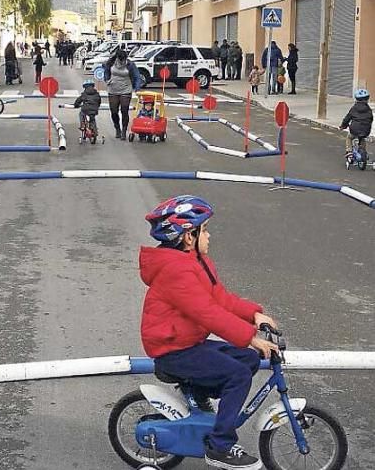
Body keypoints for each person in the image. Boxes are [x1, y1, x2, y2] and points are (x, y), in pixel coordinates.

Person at [140, 195, 279, 469]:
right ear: (188, 237)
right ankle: (220, 446)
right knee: (237, 375)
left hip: (188, 342)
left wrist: (254, 313)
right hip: (173, 349)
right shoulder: (175, 270)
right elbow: (208, 313)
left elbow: (221, 299)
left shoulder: (196, 262)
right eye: (204, 230)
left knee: (248, 360)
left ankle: (198, 393)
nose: (209, 235)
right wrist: (250, 336)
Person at [102, 47, 142, 140]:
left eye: (123, 60)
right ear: (117, 58)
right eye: (120, 60)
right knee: (114, 111)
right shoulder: (111, 62)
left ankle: (124, 130)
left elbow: (137, 76)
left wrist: (137, 88)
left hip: (126, 89)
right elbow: (106, 70)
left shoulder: (130, 64)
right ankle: (117, 129)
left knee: (124, 110)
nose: (122, 62)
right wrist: (107, 79)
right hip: (113, 89)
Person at [340, 89, 372, 158]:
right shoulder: (369, 109)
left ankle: (349, 151)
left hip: (354, 130)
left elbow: (347, 118)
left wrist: (343, 126)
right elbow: (370, 119)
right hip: (366, 130)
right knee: (362, 138)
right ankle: (363, 152)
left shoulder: (354, 108)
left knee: (349, 138)